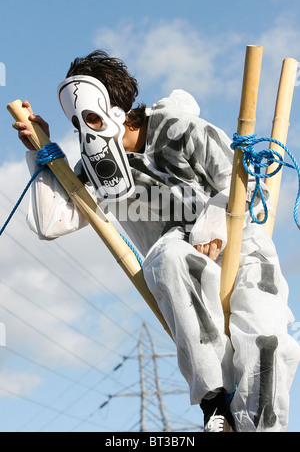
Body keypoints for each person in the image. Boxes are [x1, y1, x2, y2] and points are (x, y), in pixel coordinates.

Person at [13, 50, 300, 432]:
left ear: (118, 110)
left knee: (267, 338)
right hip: (183, 271)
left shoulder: (181, 130)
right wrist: (41, 153)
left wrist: (215, 221)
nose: (88, 132)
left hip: (240, 247)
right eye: (78, 124)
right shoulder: (100, 170)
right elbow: (51, 222)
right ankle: (214, 404)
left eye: (94, 118)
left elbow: (243, 181)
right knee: (167, 256)